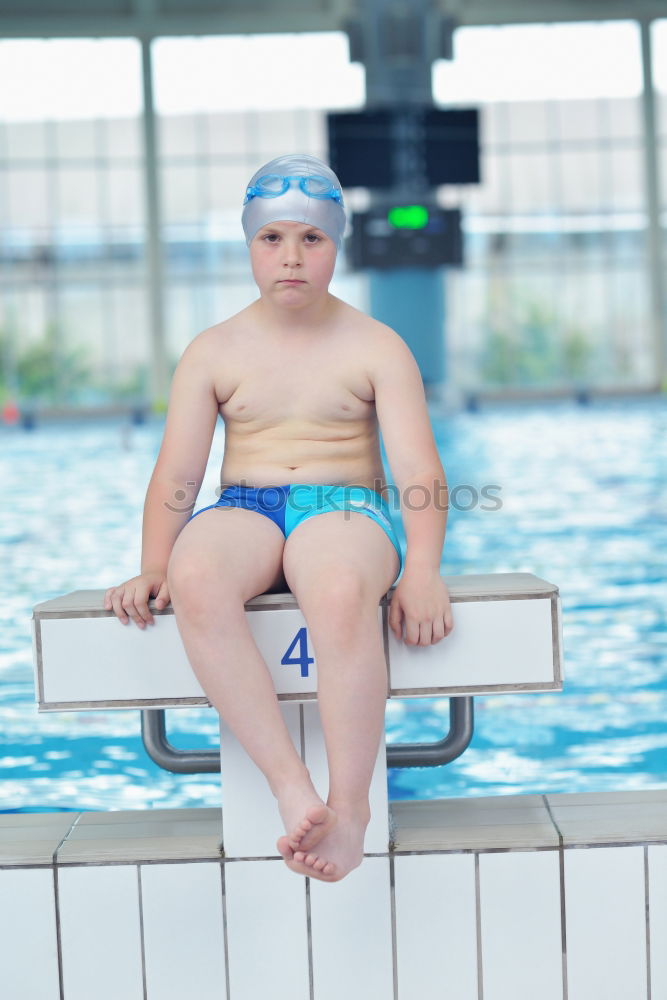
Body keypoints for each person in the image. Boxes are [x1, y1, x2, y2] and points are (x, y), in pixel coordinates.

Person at [105, 153, 453, 883]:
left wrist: (422, 572)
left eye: (310, 240)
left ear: (336, 245)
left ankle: (350, 808)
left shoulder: (375, 345)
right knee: (198, 577)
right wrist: (154, 563)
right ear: (248, 246)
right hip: (245, 505)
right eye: (272, 240)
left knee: (332, 587)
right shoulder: (214, 351)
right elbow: (177, 475)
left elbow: (419, 473)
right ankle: (291, 784)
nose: (290, 258)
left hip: (347, 505)